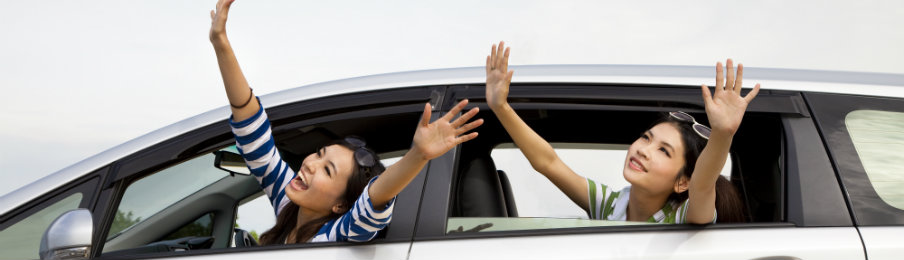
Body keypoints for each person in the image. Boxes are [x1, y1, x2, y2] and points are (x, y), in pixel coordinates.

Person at [209, 0, 484, 244]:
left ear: (341, 205)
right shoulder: (287, 205)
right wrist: (221, 43)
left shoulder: (339, 235)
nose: (310, 164)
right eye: (319, 154)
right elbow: (253, 131)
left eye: (327, 170)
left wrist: (418, 155)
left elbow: (376, 196)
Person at [484, 41, 755, 223]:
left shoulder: (687, 214)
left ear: (682, 182)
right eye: (646, 138)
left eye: (663, 150)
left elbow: (703, 184)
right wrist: (501, 107)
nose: (644, 149)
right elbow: (548, 162)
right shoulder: (611, 204)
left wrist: (722, 134)